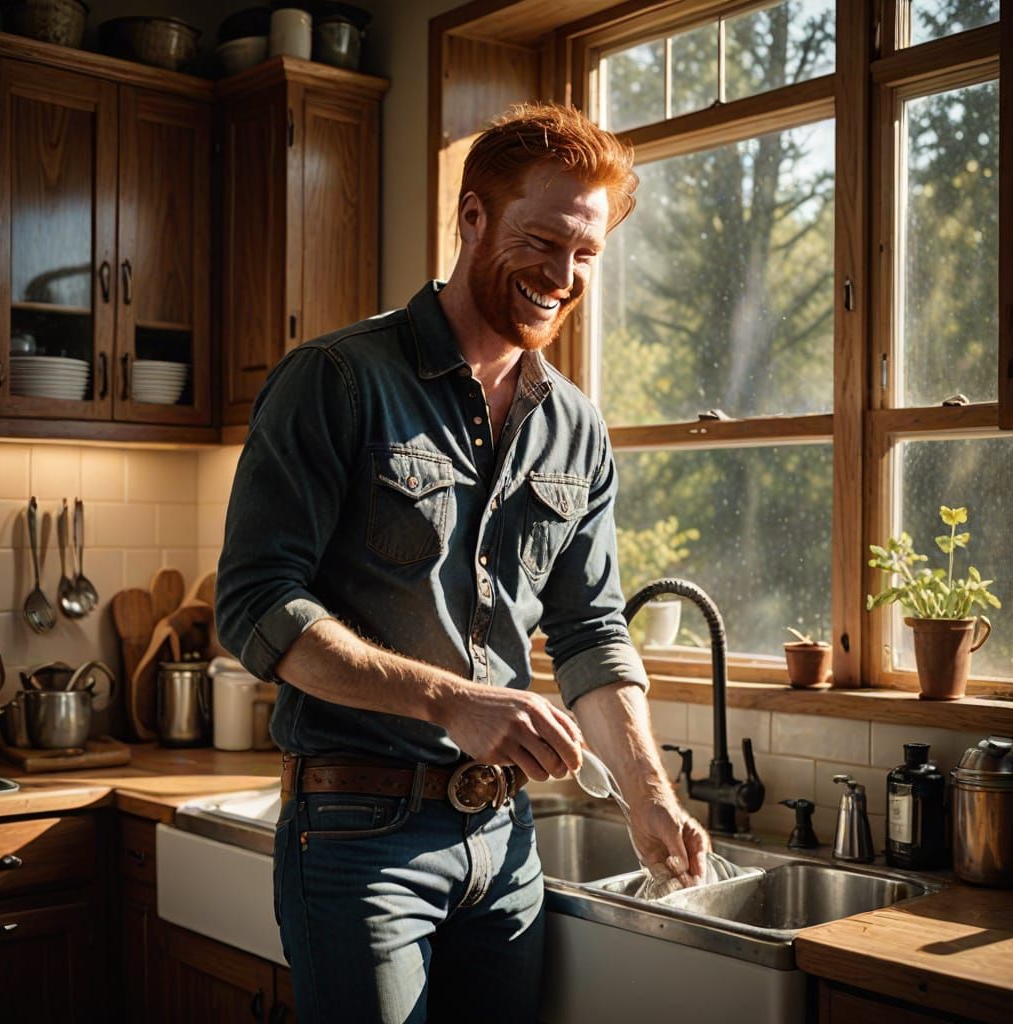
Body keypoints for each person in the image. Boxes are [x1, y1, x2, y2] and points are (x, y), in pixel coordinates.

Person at [216, 101, 710, 1024]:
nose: (563, 278)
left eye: (586, 256)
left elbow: (593, 629)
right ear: (472, 217)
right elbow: (256, 605)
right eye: (544, 241)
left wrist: (649, 799)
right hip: (360, 839)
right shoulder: (336, 380)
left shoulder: (577, 428)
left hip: (507, 847)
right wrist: (451, 699)